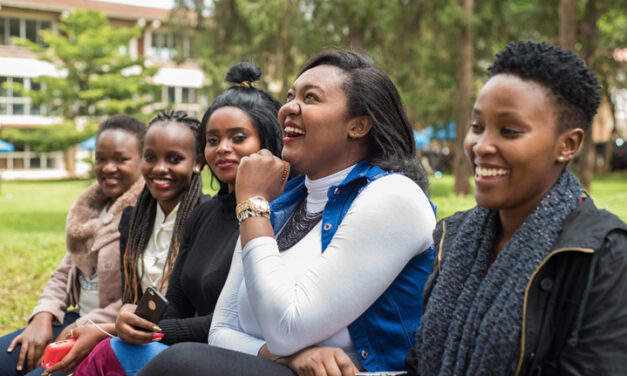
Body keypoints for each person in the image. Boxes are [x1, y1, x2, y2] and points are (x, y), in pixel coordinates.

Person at [138, 50, 436, 376]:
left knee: (181, 365)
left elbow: (286, 328)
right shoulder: (280, 205)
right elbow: (221, 330)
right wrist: (286, 358)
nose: (288, 108)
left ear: (358, 125)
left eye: (311, 98)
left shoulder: (393, 197)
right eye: (290, 96)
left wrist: (251, 202)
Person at [406, 41, 627, 376]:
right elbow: (418, 361)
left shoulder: (603, 256)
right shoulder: (452, 236)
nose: (481, 146)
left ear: (568, 145)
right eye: (477, 126)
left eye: (509, 131)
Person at [72, 62, 285, 375]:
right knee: (110, 350)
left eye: (238, 138)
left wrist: (155, 333)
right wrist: (133, 320)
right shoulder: (205, 214)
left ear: (266, 141)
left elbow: (239, 321)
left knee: (112, 352)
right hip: (182, 351)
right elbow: (176, 303)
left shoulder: (273, 215)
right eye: (212, 140)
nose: (223, 149)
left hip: (234, 359)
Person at [39, 110, 205, 375]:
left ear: (197, 162)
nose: (159, 168)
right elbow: (129, 296)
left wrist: (106, 329)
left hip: (171, 348)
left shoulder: (204, 219)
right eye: (151, 158)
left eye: (174, 159)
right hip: (124, 335)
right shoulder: (135, 219)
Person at [0, 115, 146, 376]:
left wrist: (78, 328)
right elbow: (64, 271)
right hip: (71, 318)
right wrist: (42, 316)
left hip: (105, 331)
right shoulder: (90, 211)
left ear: (143, 160)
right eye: (100, 159)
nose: (107, 167)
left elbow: (136, 297)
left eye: (120, 159)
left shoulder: (144, 216)